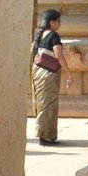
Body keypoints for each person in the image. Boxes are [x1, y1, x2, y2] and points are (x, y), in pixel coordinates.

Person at [32, 8, 64, 145]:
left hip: (38, 72)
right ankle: (45, 135)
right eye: (58, 21)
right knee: (49, 104)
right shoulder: (54, 36)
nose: (60, 24)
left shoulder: (38, 35)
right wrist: (69, 73)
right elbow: (59, 56)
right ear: (52, 22)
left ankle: (43, 134)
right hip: (49, 74)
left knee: (42, 103)